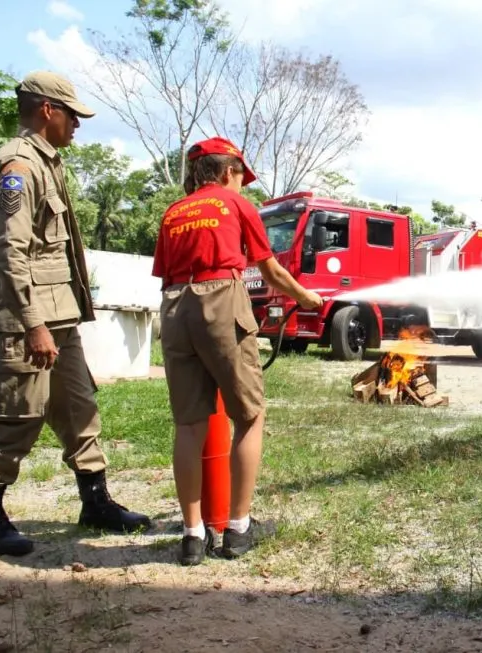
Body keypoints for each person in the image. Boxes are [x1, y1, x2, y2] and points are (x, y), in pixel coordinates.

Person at [0, 71, 152, 557]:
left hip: (59, 317)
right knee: (15, 417)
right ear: (47, 109)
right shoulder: (18, 165)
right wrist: (33, 324)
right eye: (72, 114)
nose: (77, 124)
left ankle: (96, 503)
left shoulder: (48, 163)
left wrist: (54, 321)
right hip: (25, 321)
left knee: (79, 410)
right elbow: (9, 251)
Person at [151, 136, 323, 566]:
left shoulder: (173, 212)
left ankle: (192, 536)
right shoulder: (236, 204)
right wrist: (306, 298)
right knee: (248, 415)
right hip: (220, 300)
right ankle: (238, 529)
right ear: (229, 171)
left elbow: (165, 274)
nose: (242, 185)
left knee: (189, 425)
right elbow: (270, 270)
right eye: (241, 177)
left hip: (174, 306)